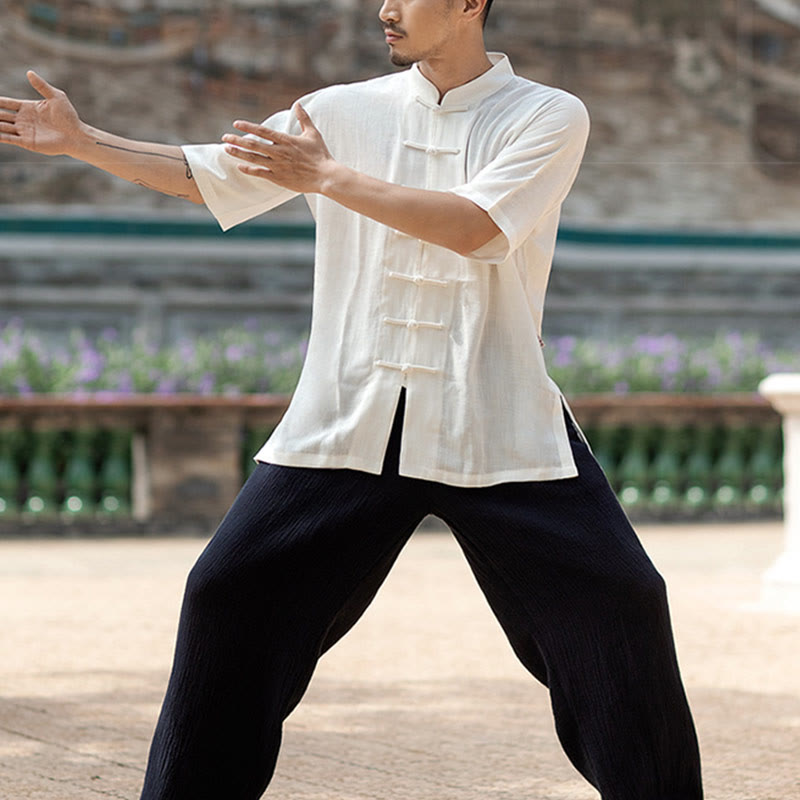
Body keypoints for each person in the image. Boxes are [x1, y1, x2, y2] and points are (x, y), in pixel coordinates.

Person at [0, 1, 704, 798]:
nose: (385, 9)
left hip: (499, 422)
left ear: (470, 3)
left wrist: (327, 177)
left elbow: (476, 227)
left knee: (622, 606)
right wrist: (84, 142)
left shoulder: (547, 114)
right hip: (349, 418)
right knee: (227, 595)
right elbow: (209, 175)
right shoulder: (334, 113)